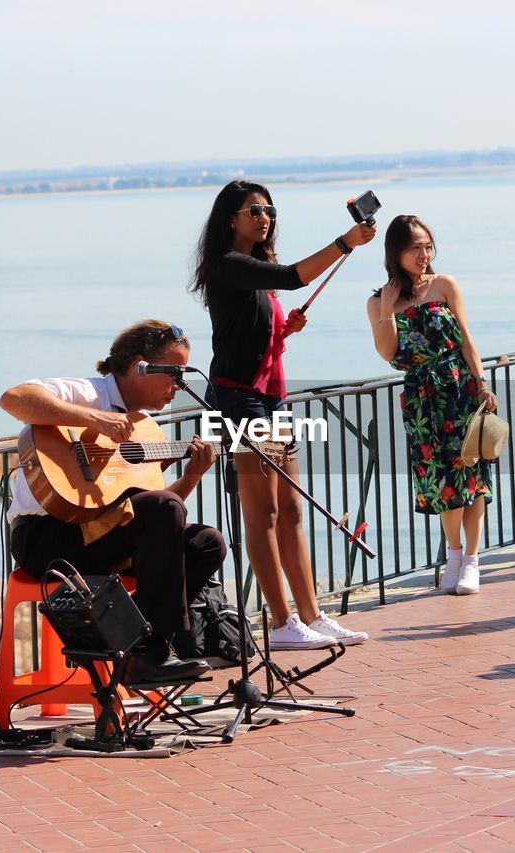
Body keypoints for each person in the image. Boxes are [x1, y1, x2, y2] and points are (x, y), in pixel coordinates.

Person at [190, 179, 374, 649]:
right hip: (237, 401)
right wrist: (344, 242)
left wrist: (283, 330)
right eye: (254, 210)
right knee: (264, 511)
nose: (264, 217)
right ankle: (281, 622)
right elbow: (295, 276)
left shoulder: (257, 266)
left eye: (269, 209)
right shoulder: (229, 266)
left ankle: (311, 614)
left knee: (291, 507)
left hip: (270, 398)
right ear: (230, 218)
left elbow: (249, 337)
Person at [2, 320, 224, 682]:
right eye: (173, 374)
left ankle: (129, 643)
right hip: (49, 537)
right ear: (139, 366)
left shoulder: (145, 426)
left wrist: (192, 476)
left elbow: (163, 515)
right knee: (164, 512)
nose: (179, 385)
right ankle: (149, 656)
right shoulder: (87, 394)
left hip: (103, 538)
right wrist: (95, 419)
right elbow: (13, 398)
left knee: (206, 543)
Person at [366, 215, 497, 595]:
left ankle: (471, 561)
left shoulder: (444, 285)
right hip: (422, 401)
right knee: (440, 483)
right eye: (415, 248)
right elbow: (388, 354)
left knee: (472, 478)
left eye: (427, 246)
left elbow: (467, 340)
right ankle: (453, 555)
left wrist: (482, 384)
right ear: (396, 252)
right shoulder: (378, 301)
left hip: (461, 391)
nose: (424, 254)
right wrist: (388, 309)